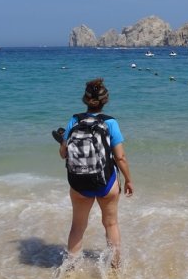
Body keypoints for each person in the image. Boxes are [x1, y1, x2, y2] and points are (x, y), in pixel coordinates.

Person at [57, 78, 133, 268]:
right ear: (105, 100)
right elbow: (120, 157)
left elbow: (63, 154)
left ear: (85, 99)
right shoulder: (110, 123)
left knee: (77, 227)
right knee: (111, 224)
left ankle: (70, 269)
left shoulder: (74, 120)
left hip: (79, 184)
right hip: (106, 183)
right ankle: (115, 268)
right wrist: (129, 180)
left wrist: (61, 142)